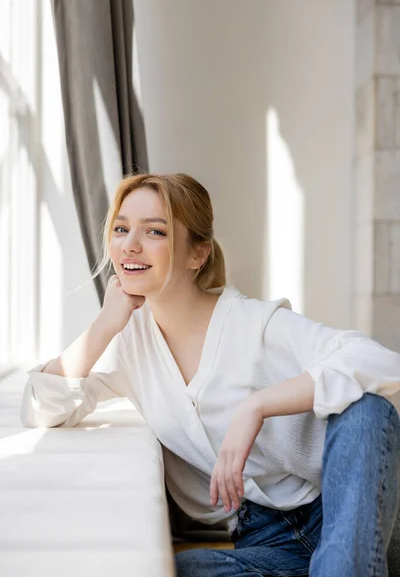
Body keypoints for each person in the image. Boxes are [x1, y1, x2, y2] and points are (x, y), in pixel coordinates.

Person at [21, 172, 400, 577]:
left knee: (367, 410)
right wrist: (104, 325)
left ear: (197, 255)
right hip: (269, 544)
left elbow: (382, 362)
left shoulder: (254, 324)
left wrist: (257, 406)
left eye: (155, 231)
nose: (130, 244)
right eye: (121, 228)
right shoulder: (128, 345)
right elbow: (41, 406)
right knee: (180, 570)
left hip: (352, 517)